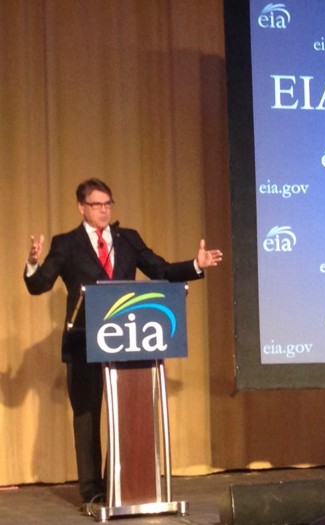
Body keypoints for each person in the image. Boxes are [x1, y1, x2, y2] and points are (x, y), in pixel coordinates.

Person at [24, 178, 222, 511]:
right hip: (83, 339)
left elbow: (159, 269)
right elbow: (39, 285)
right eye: (97, 204)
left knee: (125, 414)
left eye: (108, 204)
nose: (103, 210)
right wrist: (32, 263)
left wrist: (195, 265)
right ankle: (93, 492)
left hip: (128, 339)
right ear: (81, 207)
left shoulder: (127, 239)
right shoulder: (66, 243)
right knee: (87, 417)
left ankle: (120, 482)